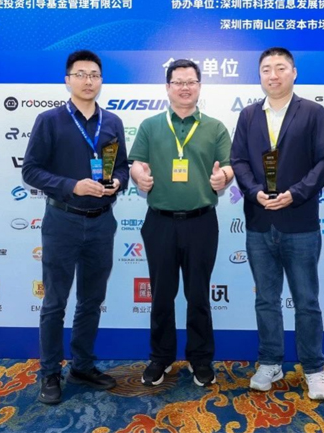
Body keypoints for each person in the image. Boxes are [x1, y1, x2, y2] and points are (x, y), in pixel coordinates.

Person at [229, 47, 324, 400]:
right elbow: (238, 160)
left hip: (299, 222)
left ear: (293, 72)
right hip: (259, 222)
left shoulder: (312, 112)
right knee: (266, 300)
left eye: (280, 68)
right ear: (259, 75)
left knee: (306, 301)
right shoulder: (248, 115)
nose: (272, 75)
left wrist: (296, 193)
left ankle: (314, 369)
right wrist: (255, 191)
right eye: (266, 69)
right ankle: (270, 362)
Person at [22, 50, 129, 404]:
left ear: (101, 80)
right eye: (81, 74)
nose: (88, 81)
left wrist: (118, 182)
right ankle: (50, 372)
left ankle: (82, 366)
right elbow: (30, 170)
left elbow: (123, 166)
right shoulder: (49, 120)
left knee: (91, 300)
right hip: (63, 220)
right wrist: (72, 186)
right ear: (68, 80)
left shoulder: (112, 122)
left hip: (102, 222)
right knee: (55, 302)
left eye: (94, 75)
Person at [129, 59, 234, 387]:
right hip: (159, 222)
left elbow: (229, 165)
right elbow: (136, 163)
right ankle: (160, 358)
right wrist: (138, 175)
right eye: (178, 82)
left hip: (201, 222)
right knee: (161, 295)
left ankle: (200, 359)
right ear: (168, 87)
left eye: (191, 82)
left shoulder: (215, 127)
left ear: (199, 86)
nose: (185, 87)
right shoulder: (150, 125)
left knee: (198, 295)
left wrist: (223, 177)